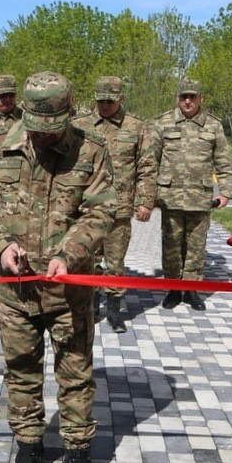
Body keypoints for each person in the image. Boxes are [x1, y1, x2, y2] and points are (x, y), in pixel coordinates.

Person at [0, 71, 116, 463]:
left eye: (52, 130)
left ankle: (78, 455)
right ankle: (29, 450)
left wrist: (69, 253)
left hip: (70, 293)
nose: (44, 139)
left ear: (69, 113)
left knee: (76, 373)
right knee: (22, 370)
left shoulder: (91, 150)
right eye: (36, 129)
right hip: (15, 292)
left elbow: (102, 211)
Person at [73, 76, 156, 333]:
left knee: (115, 261)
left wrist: (145, 202)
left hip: (119, 207)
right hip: (87, 207)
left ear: (120, 99)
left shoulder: (137, 127)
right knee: (88, 258)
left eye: (110, 101)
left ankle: (113, 309)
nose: (105, 106)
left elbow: (147, 167)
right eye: (101, 101)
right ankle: (91, 304)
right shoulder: (80, 124)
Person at [151, 77, 232, 311]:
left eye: (192, 97)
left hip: (200, 197)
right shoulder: (163, 123)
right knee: (172, 247)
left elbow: (223, 162)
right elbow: (150, 162)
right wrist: (149, 195)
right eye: (183, 96)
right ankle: (173, 289)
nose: (187, 101)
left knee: (196, 247)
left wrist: (226, 191)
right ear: (177, 98)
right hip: (170, 197)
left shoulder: (213, 125)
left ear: (200, 99)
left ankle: (191, 289)